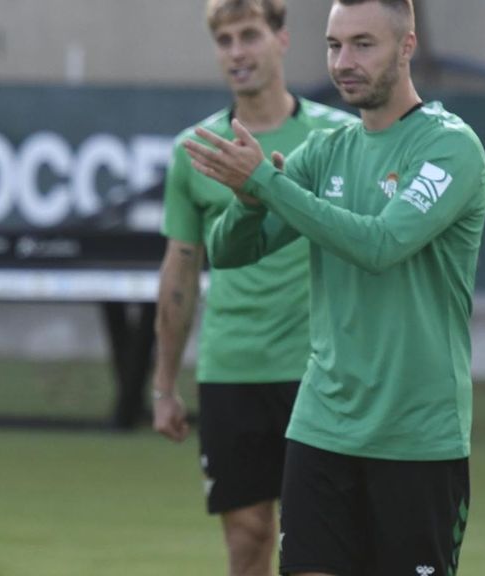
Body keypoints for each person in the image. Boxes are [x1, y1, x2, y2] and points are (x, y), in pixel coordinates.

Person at [183, 0, 485, 574]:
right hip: (322, 423)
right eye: (333, 45)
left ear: (406, 46)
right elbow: (228, 251)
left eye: (363, 44)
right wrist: (252, 201)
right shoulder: (327, 150)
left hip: (415, 431)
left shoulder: (451, 147)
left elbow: (379, 246)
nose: (344, 61)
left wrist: (268, 183)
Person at [151, 1, 353, 575]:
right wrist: (164, 384)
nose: (237, 52)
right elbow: (181, 268)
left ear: (281, 40)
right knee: (247, 540)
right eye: (224, 41)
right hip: (231, 367)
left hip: (319, 372)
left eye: (249, 35)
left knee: (316, 545)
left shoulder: (334, 137)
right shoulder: (196, 149)